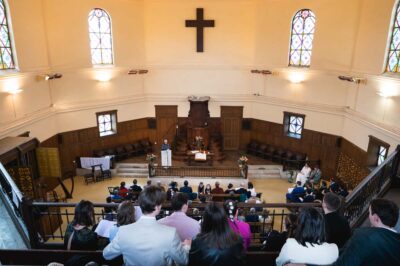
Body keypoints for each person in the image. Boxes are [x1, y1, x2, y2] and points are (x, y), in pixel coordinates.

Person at [288, 199, 400, 266]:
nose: (368, 216)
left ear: (375, 218)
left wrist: (305, 265)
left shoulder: (363, 237)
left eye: (369, 213)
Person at [103, 186, 190, 266]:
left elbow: (107, 255)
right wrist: (186, 247)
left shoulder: (123, 231)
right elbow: (183, 261)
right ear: (157, 207)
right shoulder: (170, 233)